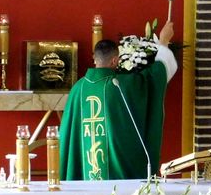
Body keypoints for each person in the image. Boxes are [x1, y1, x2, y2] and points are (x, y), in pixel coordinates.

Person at [59, 21, 177, 181]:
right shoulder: (120, 85)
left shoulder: (77, 89)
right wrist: (163, 42)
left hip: (84, 180)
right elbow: (154, 77)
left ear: (95, 59)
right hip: (119, 180)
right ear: (115, 60)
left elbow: (67, 136)